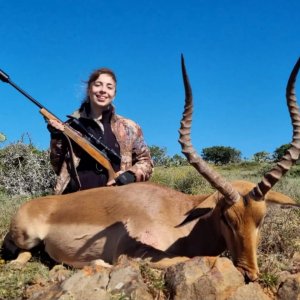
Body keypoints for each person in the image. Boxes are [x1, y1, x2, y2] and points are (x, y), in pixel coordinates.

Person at [48, 67, 153, 195]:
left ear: (114, 94)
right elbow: (57, 166)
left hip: (118, 201)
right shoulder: (70, 126)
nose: (103, 90)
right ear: (89, 89)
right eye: (98, 85)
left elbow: (146, 162)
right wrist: (56, 136)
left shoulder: (129, 127)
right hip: (77, 202)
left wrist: (129, 176)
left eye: (109, 87)